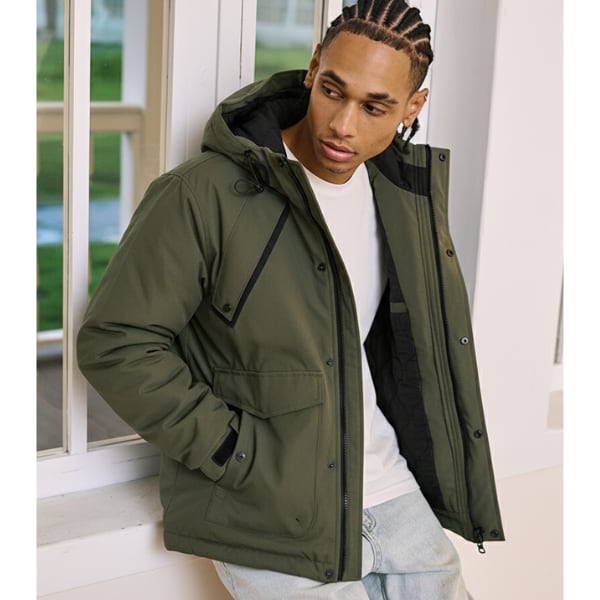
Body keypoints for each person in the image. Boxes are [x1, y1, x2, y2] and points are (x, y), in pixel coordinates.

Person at [77, 0, 504, 597]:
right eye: (333, 90)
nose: (342, 124)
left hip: (390, 489)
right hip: (271, 506)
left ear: (414, 107)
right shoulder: (203, 194)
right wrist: (233, 450)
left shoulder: (401, 193)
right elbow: (115, 343)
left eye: (375, 106)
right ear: (312, 67)